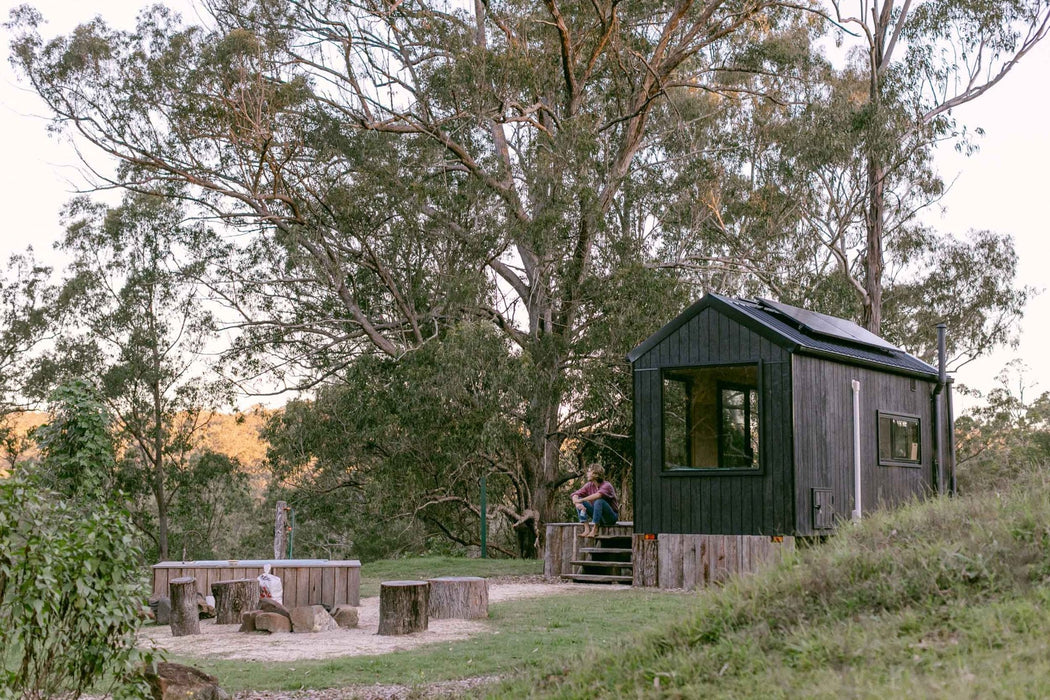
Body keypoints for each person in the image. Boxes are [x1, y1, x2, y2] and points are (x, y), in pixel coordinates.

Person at [571, 464, 619, 538]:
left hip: (610, 517)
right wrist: (577, 503)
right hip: (598, 516)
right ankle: (587, 529)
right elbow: (575, 494)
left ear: (596, 474)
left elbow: (598, 495)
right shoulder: (589, 485)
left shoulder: (607, 485)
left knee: (599, 501)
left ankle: (595, 529)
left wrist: (581, 500)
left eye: (589, 471)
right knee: (580, 500)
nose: (587, 473)